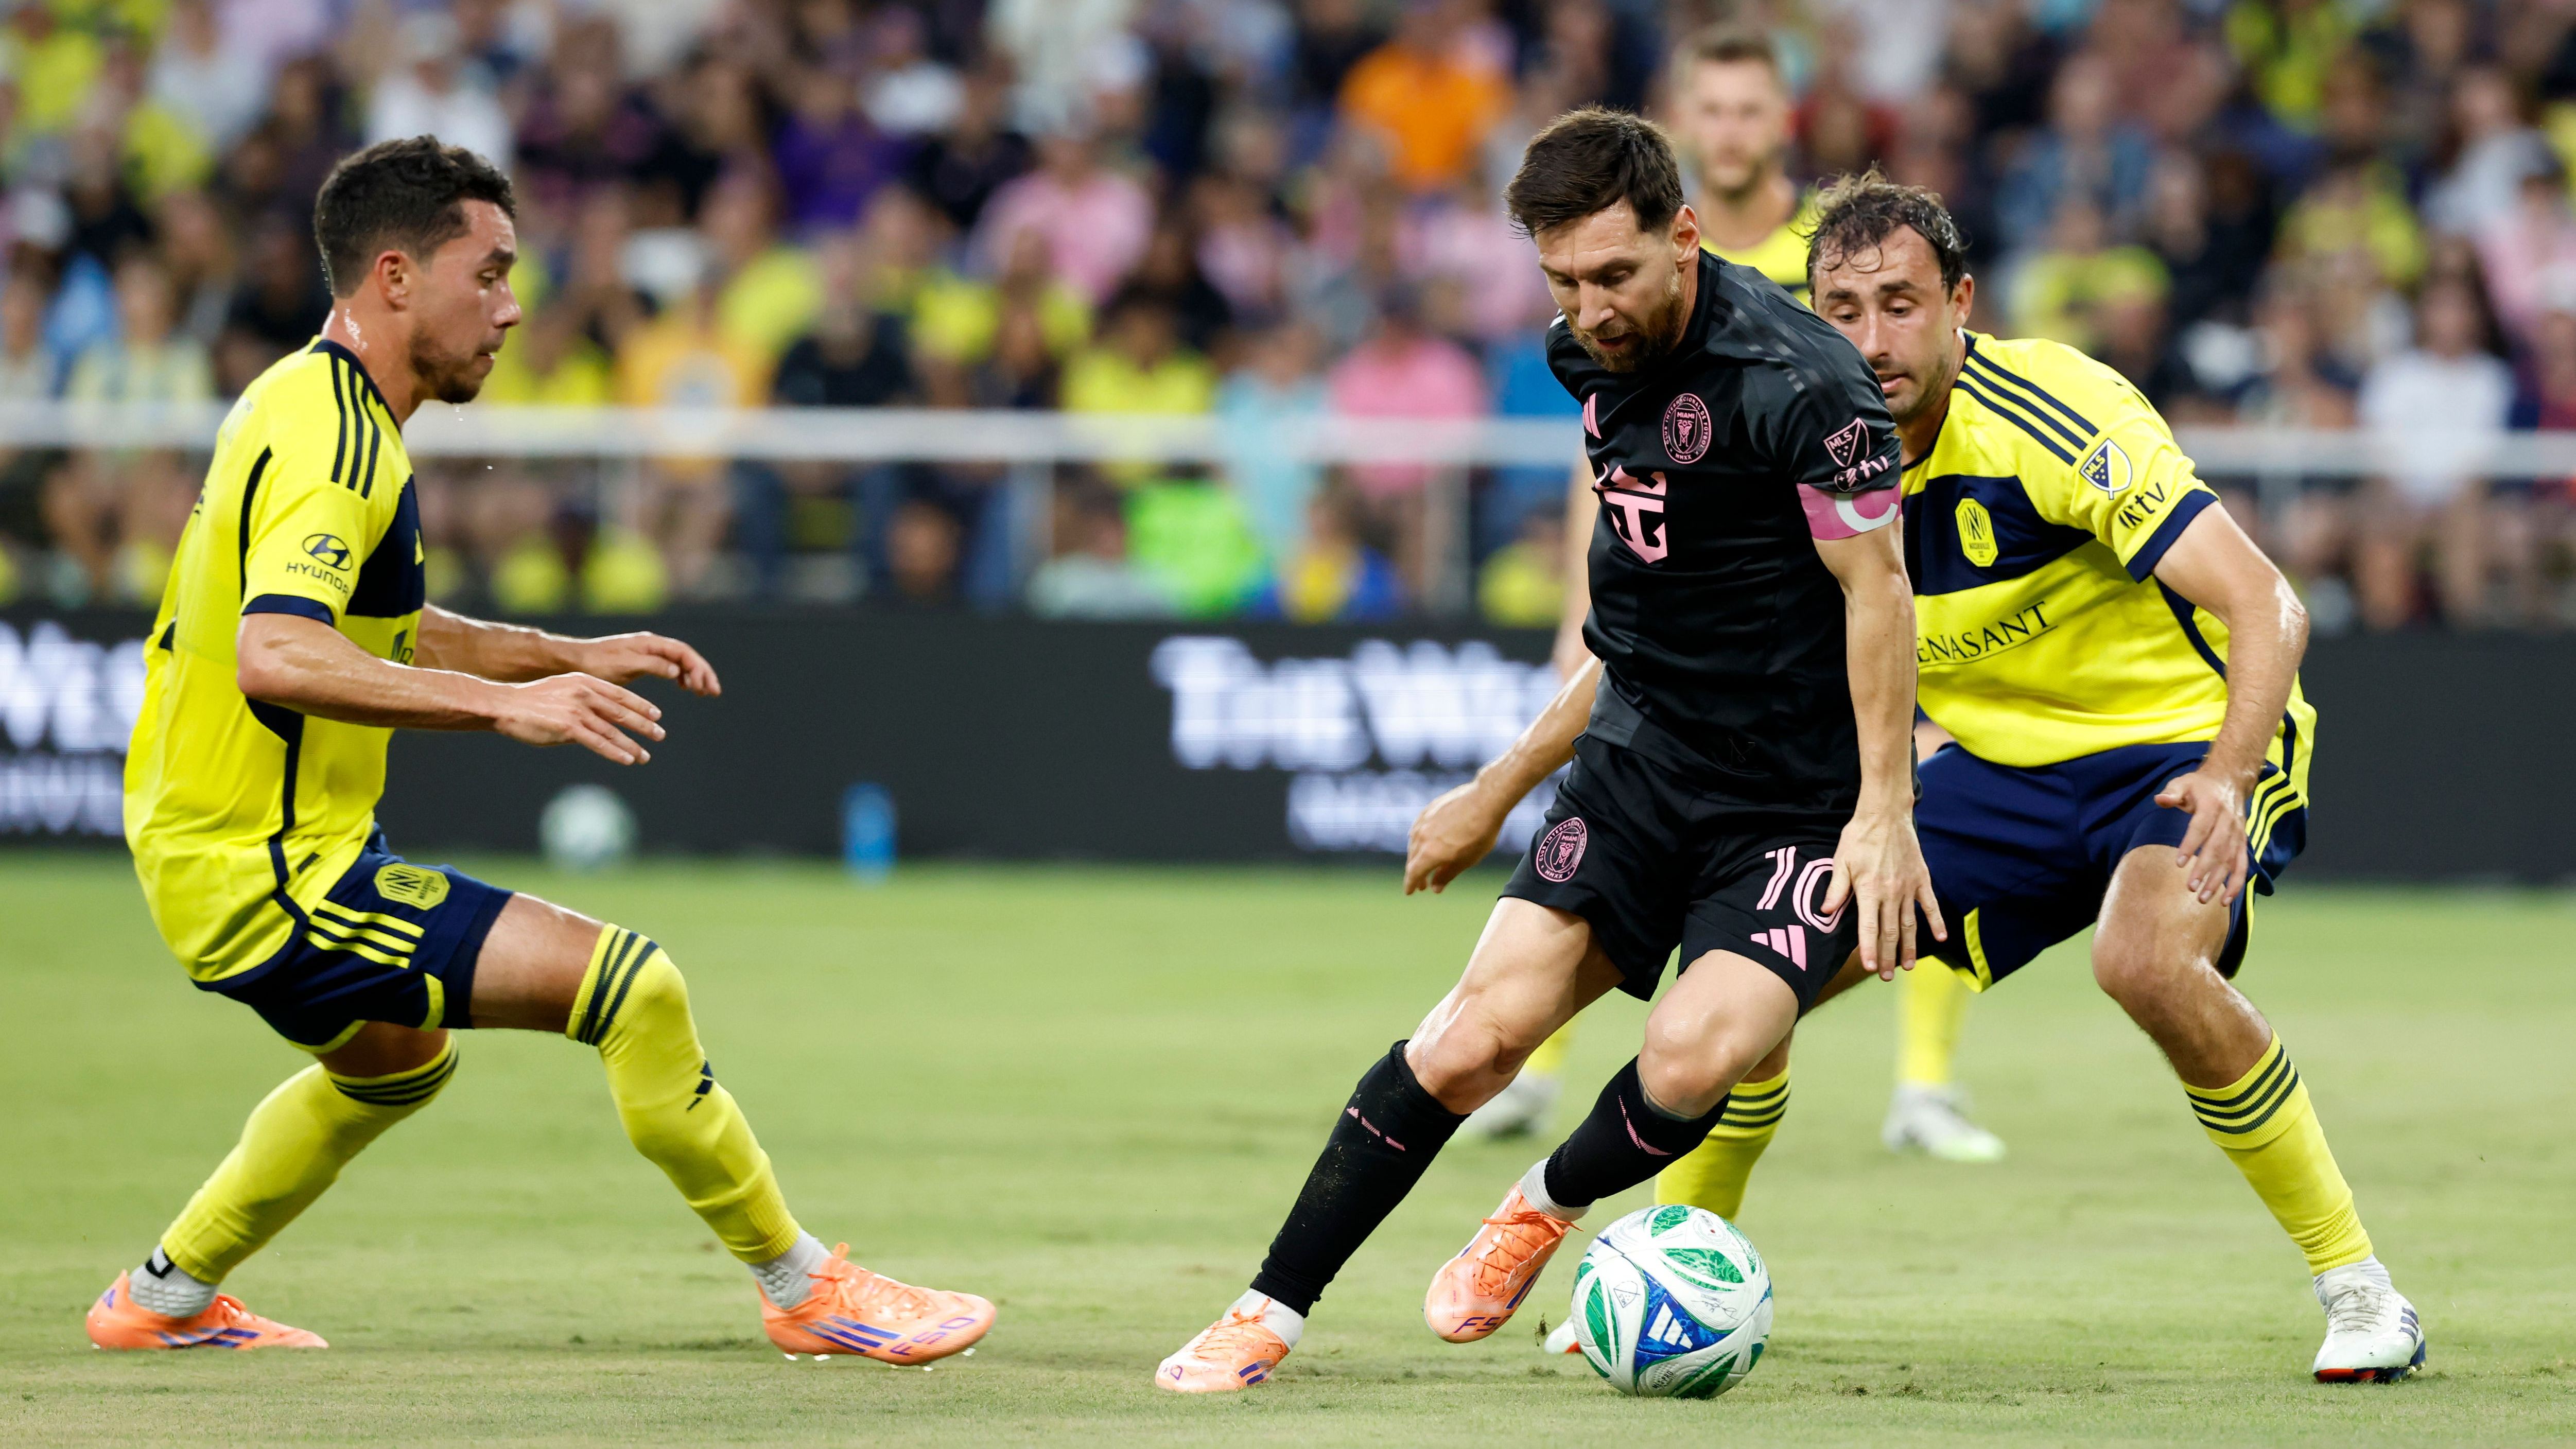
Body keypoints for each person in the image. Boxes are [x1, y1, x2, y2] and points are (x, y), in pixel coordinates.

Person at [88, 137, 995, 1366]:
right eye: (494, 273)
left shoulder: (302, 398)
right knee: (634, 987)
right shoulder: (337, 444)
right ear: (397, 276)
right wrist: (504, 710)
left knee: (396, 1072)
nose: (514, 308)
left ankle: (164, 1294)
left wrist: (558, 650)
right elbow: (279, 654)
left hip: (234, 844)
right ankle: (805, 1286)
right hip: (265, 869)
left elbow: (376, 623)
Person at [1540, 175, 2423, 1383]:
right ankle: (1680, 1270)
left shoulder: (2055, 409)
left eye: (1900, 304)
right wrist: (1505, 786)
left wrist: (2227, 773)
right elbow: (1669, 651)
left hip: (2179, 745)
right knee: (1750, 978)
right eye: (1840, 309)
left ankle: (2361, 1286)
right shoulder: (1797, 440)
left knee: (2147, 959)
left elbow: (2267, 600)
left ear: (1961, 302)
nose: (1871, 340)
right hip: (1995, 771)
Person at [1152, 109, 1931, 1393]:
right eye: (1564, 279)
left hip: (1795, 803)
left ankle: (1543, 1203)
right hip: (1641, 759)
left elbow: (1879, 592)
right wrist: (1494, 785)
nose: (1591, 307)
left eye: (1615, 274)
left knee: (1693, 1054)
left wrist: (1885, 810)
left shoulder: (1809, 388)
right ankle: (1267, 1309)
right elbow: (1630, 633)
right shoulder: (1586, 357)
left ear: (1684, 236)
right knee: (1468, 1041)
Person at [1474, 25, 2004, 1161]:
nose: (1728, 131)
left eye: (1748, 111)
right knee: (1625, 835)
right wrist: (1587, 604)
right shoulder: (1634, 270)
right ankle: (1547, 1070)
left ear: (1783, 123)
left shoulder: (1836, 262)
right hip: (1698, 617)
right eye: (1707, 111)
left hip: (1871, 580)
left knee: (1912, 804)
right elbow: (1617, 455)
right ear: (1684, 123)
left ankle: (1924, 1081)